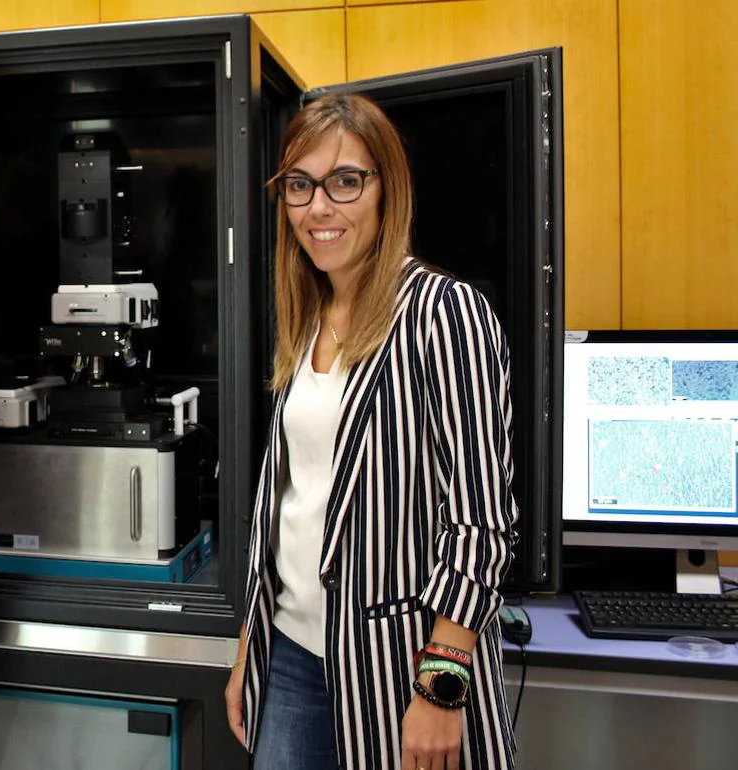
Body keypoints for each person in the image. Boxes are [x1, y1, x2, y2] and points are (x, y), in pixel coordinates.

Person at [224, 92, 518, 770]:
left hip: (401, 669)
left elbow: (480, 526)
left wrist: (444, 690)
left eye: (345, 181)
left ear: (388, 190)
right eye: (300, 185)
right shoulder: (308, 317)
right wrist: (248, 651)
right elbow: (289, 508)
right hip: (292, 657)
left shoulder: (444, 314)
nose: (318, 208)